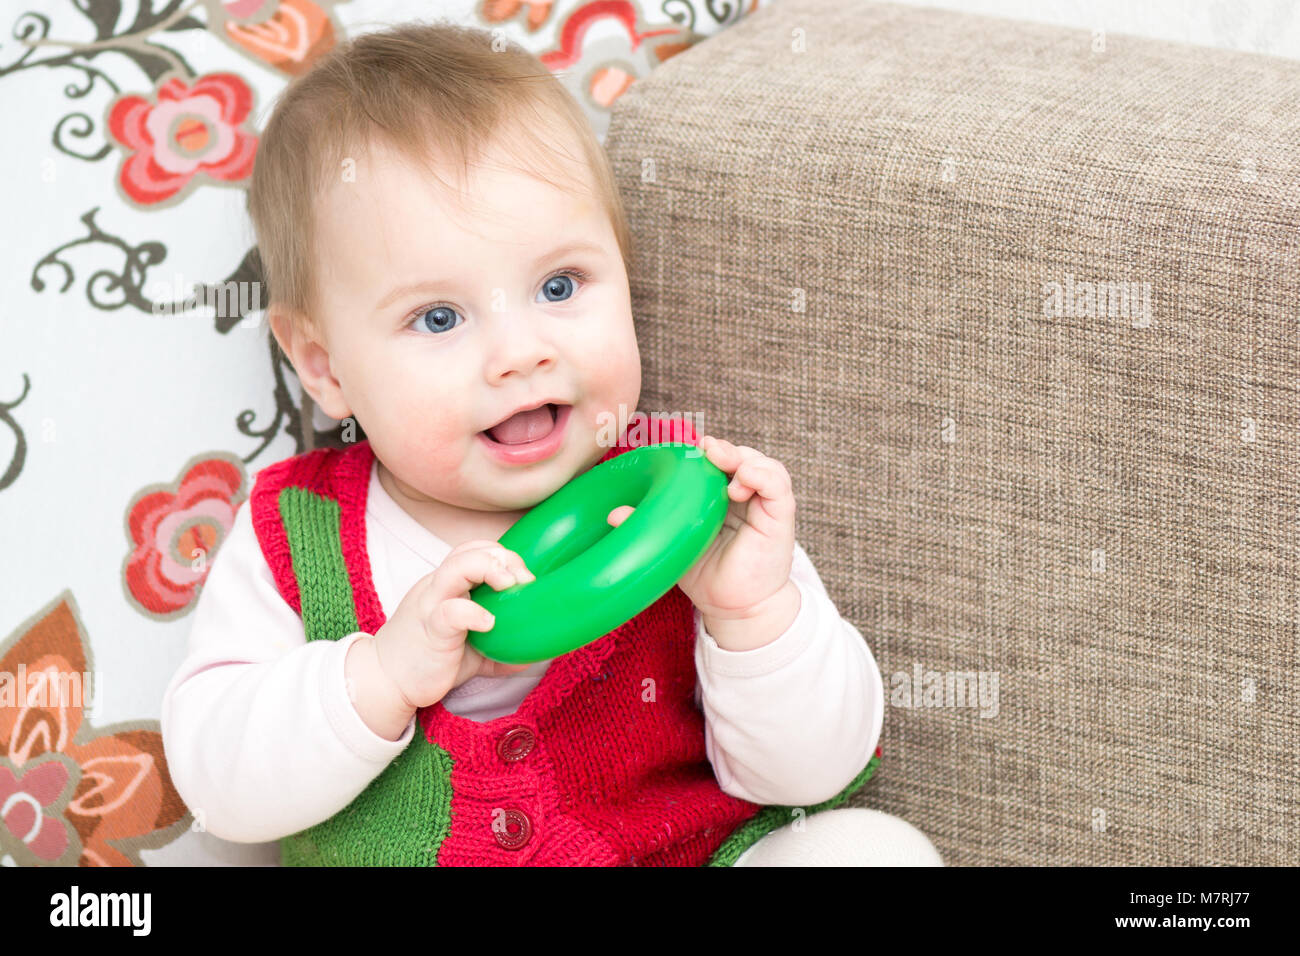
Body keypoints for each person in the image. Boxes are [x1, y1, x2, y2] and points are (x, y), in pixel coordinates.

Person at [161, 20, 942, 867]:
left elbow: (811, 777)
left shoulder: (684, 499)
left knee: (871, 848)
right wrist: (380, 676)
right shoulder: (295, 531)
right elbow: (217, 786)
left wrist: (751, 617)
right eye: (439, 317)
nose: (521, 352)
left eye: (559, 286)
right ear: (325, 368)